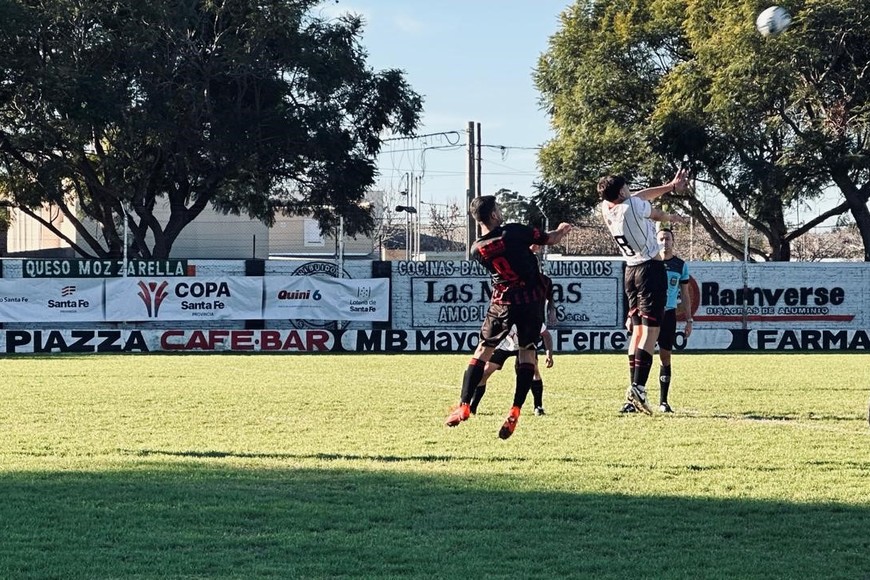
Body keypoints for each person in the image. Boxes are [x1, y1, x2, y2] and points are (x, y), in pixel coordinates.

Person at [444, 195, 571, 439]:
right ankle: (515, 410)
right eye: (498, 209)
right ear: (493, 214)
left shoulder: (476, 248)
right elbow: (550, 239)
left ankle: (463, 405)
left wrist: (527, 251)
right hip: (530, 300)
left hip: (502, 301)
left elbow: (510, 258)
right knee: (527, 353)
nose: (501, 212)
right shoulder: (513, 230)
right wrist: (562, 229)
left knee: (482, 351)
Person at [598, 170, 689, 415]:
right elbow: (653, 211)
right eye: (626, 188)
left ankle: (632, 393)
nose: (630, 190)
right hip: (650, 269)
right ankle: (638, 389)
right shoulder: (633, 208)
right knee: (651, 332)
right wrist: (672, 216)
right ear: (620, 192)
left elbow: (639, 196)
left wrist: (670, 185)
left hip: (630, 271)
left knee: (637, 334)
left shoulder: (607, 208)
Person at [623, 227, 693, 413]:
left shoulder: (680, 265)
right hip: (647, 311)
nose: (665, 242)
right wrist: (630, 315)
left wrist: (689, 319)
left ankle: (663, 401)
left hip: (668, 313)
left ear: (673, 241)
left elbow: (685, 294)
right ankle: (633, 398)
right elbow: (636, 291)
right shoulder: (648, 263)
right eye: (661, 239)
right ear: (655, 241)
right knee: (638, 346)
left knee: (665, 356)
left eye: (668, 239)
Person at [469, 323, 554, 416]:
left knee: (534, 371)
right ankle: (473, 407)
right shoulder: (503, 316)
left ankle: (538, 407)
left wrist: (549, 354)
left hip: (524, 346)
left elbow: (546, 334)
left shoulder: (528, 316)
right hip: (502, 347)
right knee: (485, 372)